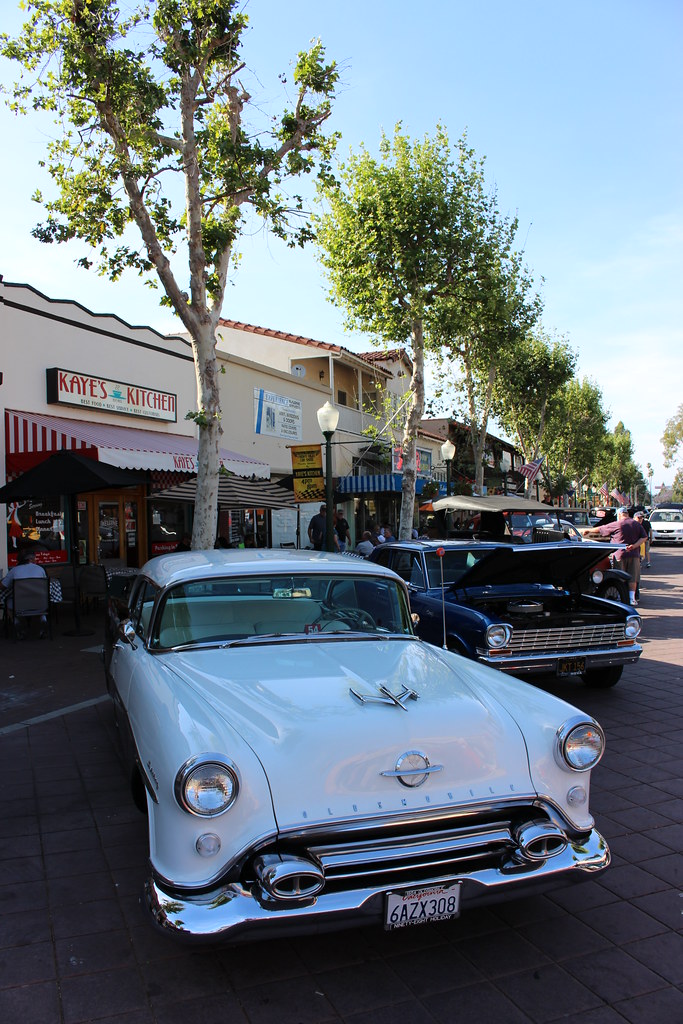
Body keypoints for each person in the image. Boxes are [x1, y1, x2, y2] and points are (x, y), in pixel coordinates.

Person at [582, 506, 647, 605]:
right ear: (627, 514)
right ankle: (631, 598)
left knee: (619, 576)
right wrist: (634, 546)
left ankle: (621, 597)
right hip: (634, 554)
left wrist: (588, 531)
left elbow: (601, 529)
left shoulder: (618, 524)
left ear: (620, 514)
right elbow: (644, 537)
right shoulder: (636, 524)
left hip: (619, 554)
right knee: (633, 577)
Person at [1, 549, 49, 638]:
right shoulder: (40, 569)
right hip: (39, 603)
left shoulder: (14, 570)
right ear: (30, 559)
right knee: (40, 599)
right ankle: (43, 619)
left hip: (20, 605)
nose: (36, 560)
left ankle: (17, 624)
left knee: (7, 602)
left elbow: (3, 586)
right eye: (35, 558)